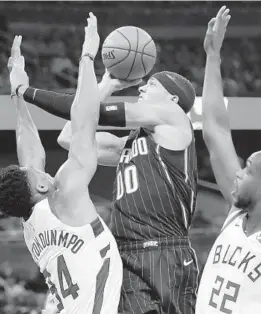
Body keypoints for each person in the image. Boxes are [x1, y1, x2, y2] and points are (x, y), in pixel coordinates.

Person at [12, 37, 199, 314]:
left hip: (165, 251)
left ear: (172, 98)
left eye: (153, 84)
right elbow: (71, 136)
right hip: (126, 254)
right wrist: (107, 85)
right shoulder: (130, 143)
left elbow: (87, 112)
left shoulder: (174, 118)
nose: (143, 86)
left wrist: (23, 90)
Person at [0, 13, 122, 314]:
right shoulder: (65, 195)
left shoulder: (31, 218)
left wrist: (18, 95)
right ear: (41, 184)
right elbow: (83, 123)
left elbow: (28, 149)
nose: (39, 166)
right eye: (36, 172)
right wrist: (87, 56)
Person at [196, 6, 261, 314]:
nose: (237, 175)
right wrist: (212, 56)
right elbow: (215, 131)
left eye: (247, 170)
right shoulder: (238, 213)